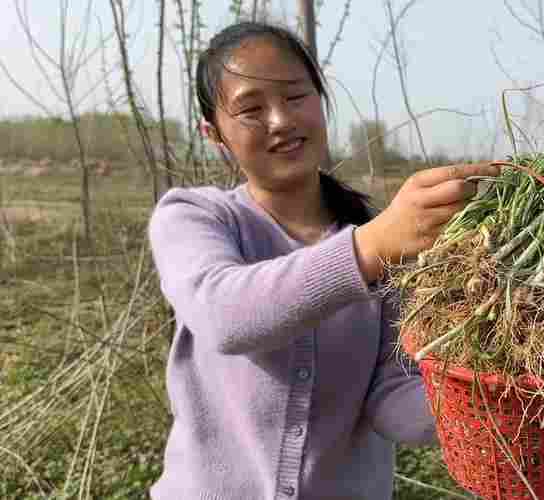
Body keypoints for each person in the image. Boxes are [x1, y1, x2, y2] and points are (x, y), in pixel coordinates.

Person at [147, 20, 500, 500]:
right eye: (251, 108)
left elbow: (389, 394)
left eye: (295, 97)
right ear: (214, 133)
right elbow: (224, 316)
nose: (280, 120)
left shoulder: (387, 236)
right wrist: (371, 247)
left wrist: (487, 403)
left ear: (320, 100)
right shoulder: (195, 216)